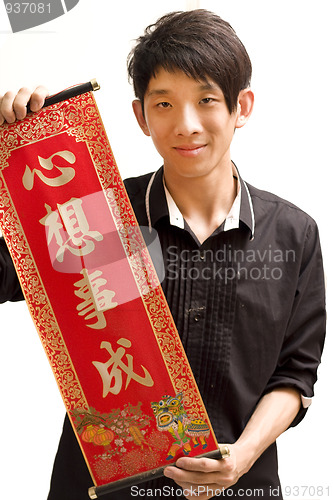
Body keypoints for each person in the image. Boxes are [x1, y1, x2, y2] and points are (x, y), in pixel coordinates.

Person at [0, 9, 326, 500]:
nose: (186, 124)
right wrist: (13, 150)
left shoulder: (292, 235)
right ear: (141, 116)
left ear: (243, 107)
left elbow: (295, 375)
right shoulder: (93, 215)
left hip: (241, 487)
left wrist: (242, 457)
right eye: (165, 103)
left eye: (207, 100)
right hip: (102, 488)